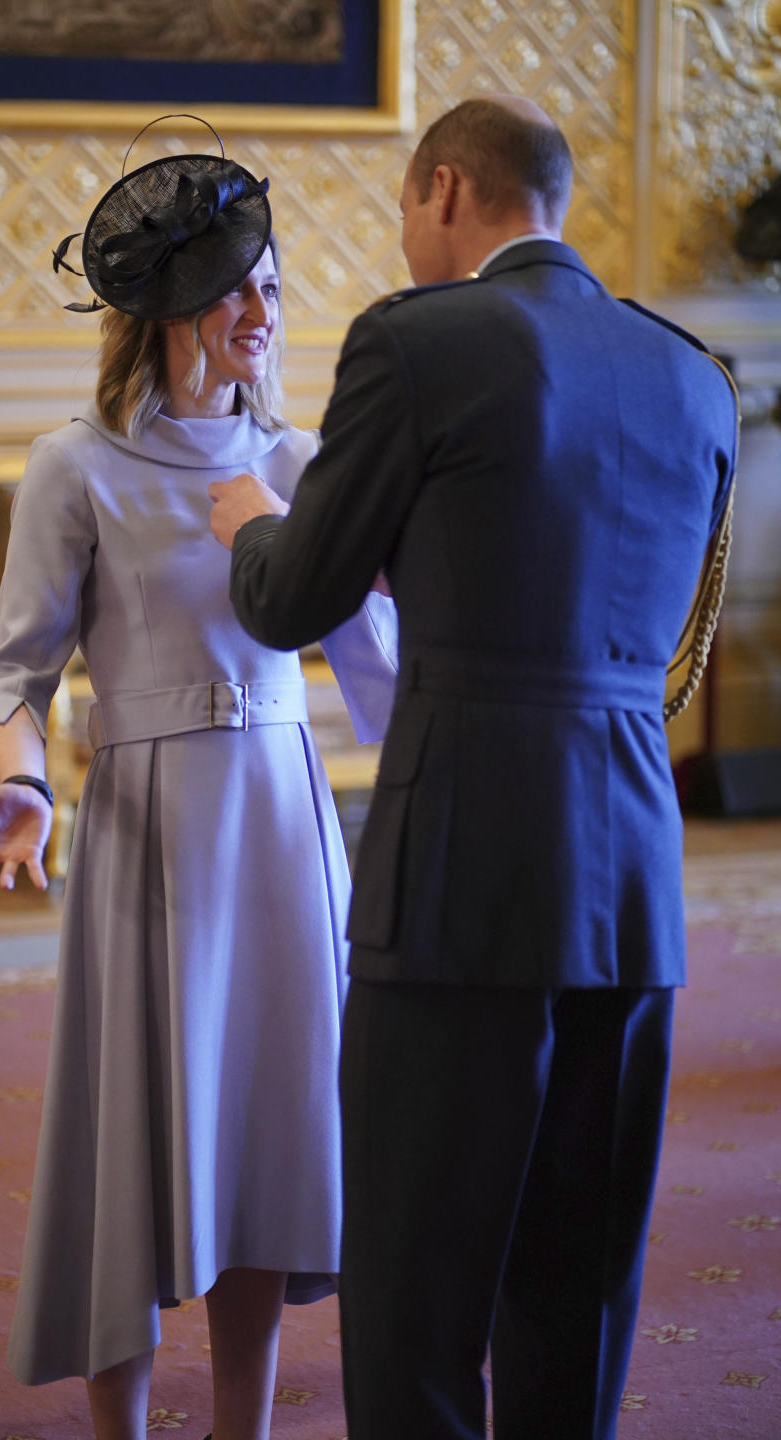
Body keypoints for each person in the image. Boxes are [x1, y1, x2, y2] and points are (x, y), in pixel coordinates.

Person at [209, 95, 738, 1440]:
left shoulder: (417, 341)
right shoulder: (691, 372)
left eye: (403, 206)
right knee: (583, 1281)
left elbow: (293, 597)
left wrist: (249, 525)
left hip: (458, 877)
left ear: (447, 187)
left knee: (418, 1293)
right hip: (630, 881)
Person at [0, 128, 397, 1440]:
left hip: (281, 817)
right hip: (146, 835)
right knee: (136, 1152)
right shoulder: (71, 467)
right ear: (169, 307)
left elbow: (377, 673)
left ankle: (240, 1430)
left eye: (274, 285)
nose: (266, 311)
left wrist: (382, 585)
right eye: (242, 286)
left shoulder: (304, 465)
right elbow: (10, 679)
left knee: (261, 1136)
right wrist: (26, 790)